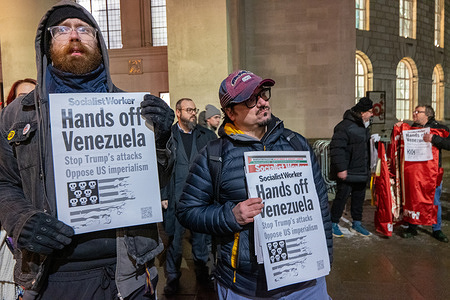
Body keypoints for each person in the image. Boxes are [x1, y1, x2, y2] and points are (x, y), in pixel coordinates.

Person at [0, 1, 174, 299]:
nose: (74, 36)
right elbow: (4, 183)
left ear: (99, 40)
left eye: (83, 29)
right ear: (47, 43)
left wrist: (161, 139)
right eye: (62, 30)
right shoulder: (18, 115)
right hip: (52, 274)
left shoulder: (133, 110)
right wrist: (20, 220)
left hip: (126, 273)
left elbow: (157, 182)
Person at [177, 70, 332, 299]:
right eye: (251, 99)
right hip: (246, 287)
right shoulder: (213, 155)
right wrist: (230, 216)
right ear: (230, 112)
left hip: (304, 284)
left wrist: (324, 257)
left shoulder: (296, 143)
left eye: (263, 94)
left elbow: (320, 205)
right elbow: (187, 211)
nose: (262, 102)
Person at [161, 98, 217, 294]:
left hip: (200, 198)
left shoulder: (207, 136)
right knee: (174, 242)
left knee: (201, 240)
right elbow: (161, 169)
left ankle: (203, 274)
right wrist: (163, 194)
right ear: (178, 112)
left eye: (194, 110)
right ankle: (173, 279)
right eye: (189, 110)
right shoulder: (167, 137)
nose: (193, 113)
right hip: (175, 198)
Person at [402, 105, 449, 243]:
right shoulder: (412, 128)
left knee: (434, 201)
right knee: (414, 200)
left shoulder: (440, 129)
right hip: (415, 173)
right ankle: (412, 226)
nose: (414, 114)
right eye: (414, 111)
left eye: (418, 112)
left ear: (427, 114)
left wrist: (434, 139)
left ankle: (437, 229)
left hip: (432, 174)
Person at [330, 97, 374, 237]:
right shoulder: (344, 126)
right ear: (362, 113)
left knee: (359, 198)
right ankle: (333, 223)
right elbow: (336, 149)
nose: (372, 114)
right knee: (341, 198)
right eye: (370, 111)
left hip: (361, 170)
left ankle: (357, 223)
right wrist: (341, 168)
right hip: (348, 171)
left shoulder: (364, 126)